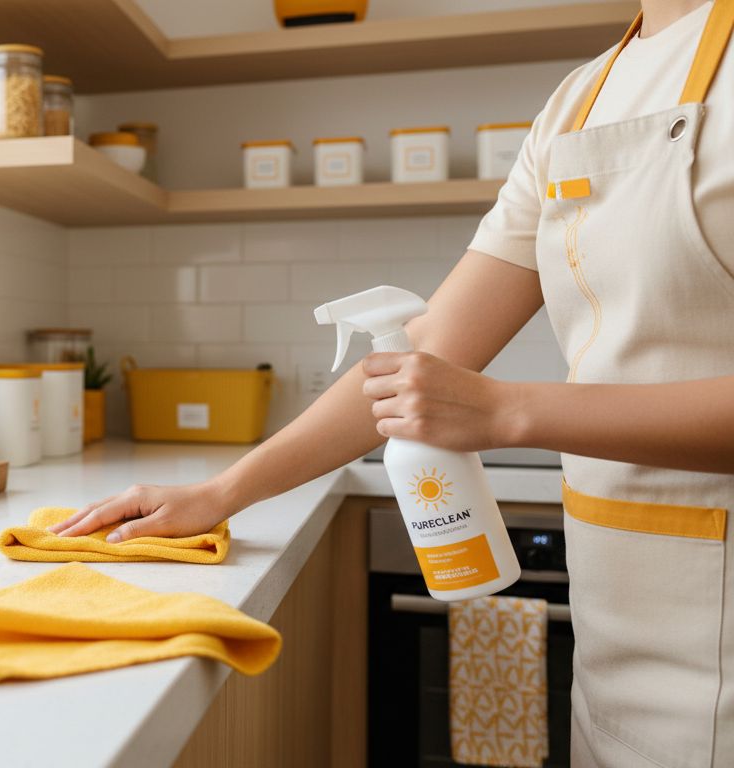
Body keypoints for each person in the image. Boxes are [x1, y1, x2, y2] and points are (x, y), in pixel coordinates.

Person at [51, 0, 734, 764]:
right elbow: (428, 346)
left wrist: (510, 411)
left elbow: (470, 387)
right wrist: (220, 494)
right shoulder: (578, 102)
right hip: (615, 636)